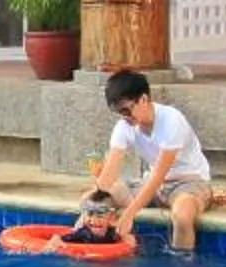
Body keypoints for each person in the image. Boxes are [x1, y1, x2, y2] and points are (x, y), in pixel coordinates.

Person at [81, 68, 213, 254]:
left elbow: (159, 176)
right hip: (153, 185)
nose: (124, 117)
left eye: (127, 110)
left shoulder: (171, 121)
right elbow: (109, 175)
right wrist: (97, 194)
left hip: (188, 182)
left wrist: (128, 215)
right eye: (119, 112)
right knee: (90, 200)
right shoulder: (124, 126)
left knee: (182, 216)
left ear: (143, 99)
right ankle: (91, 248)